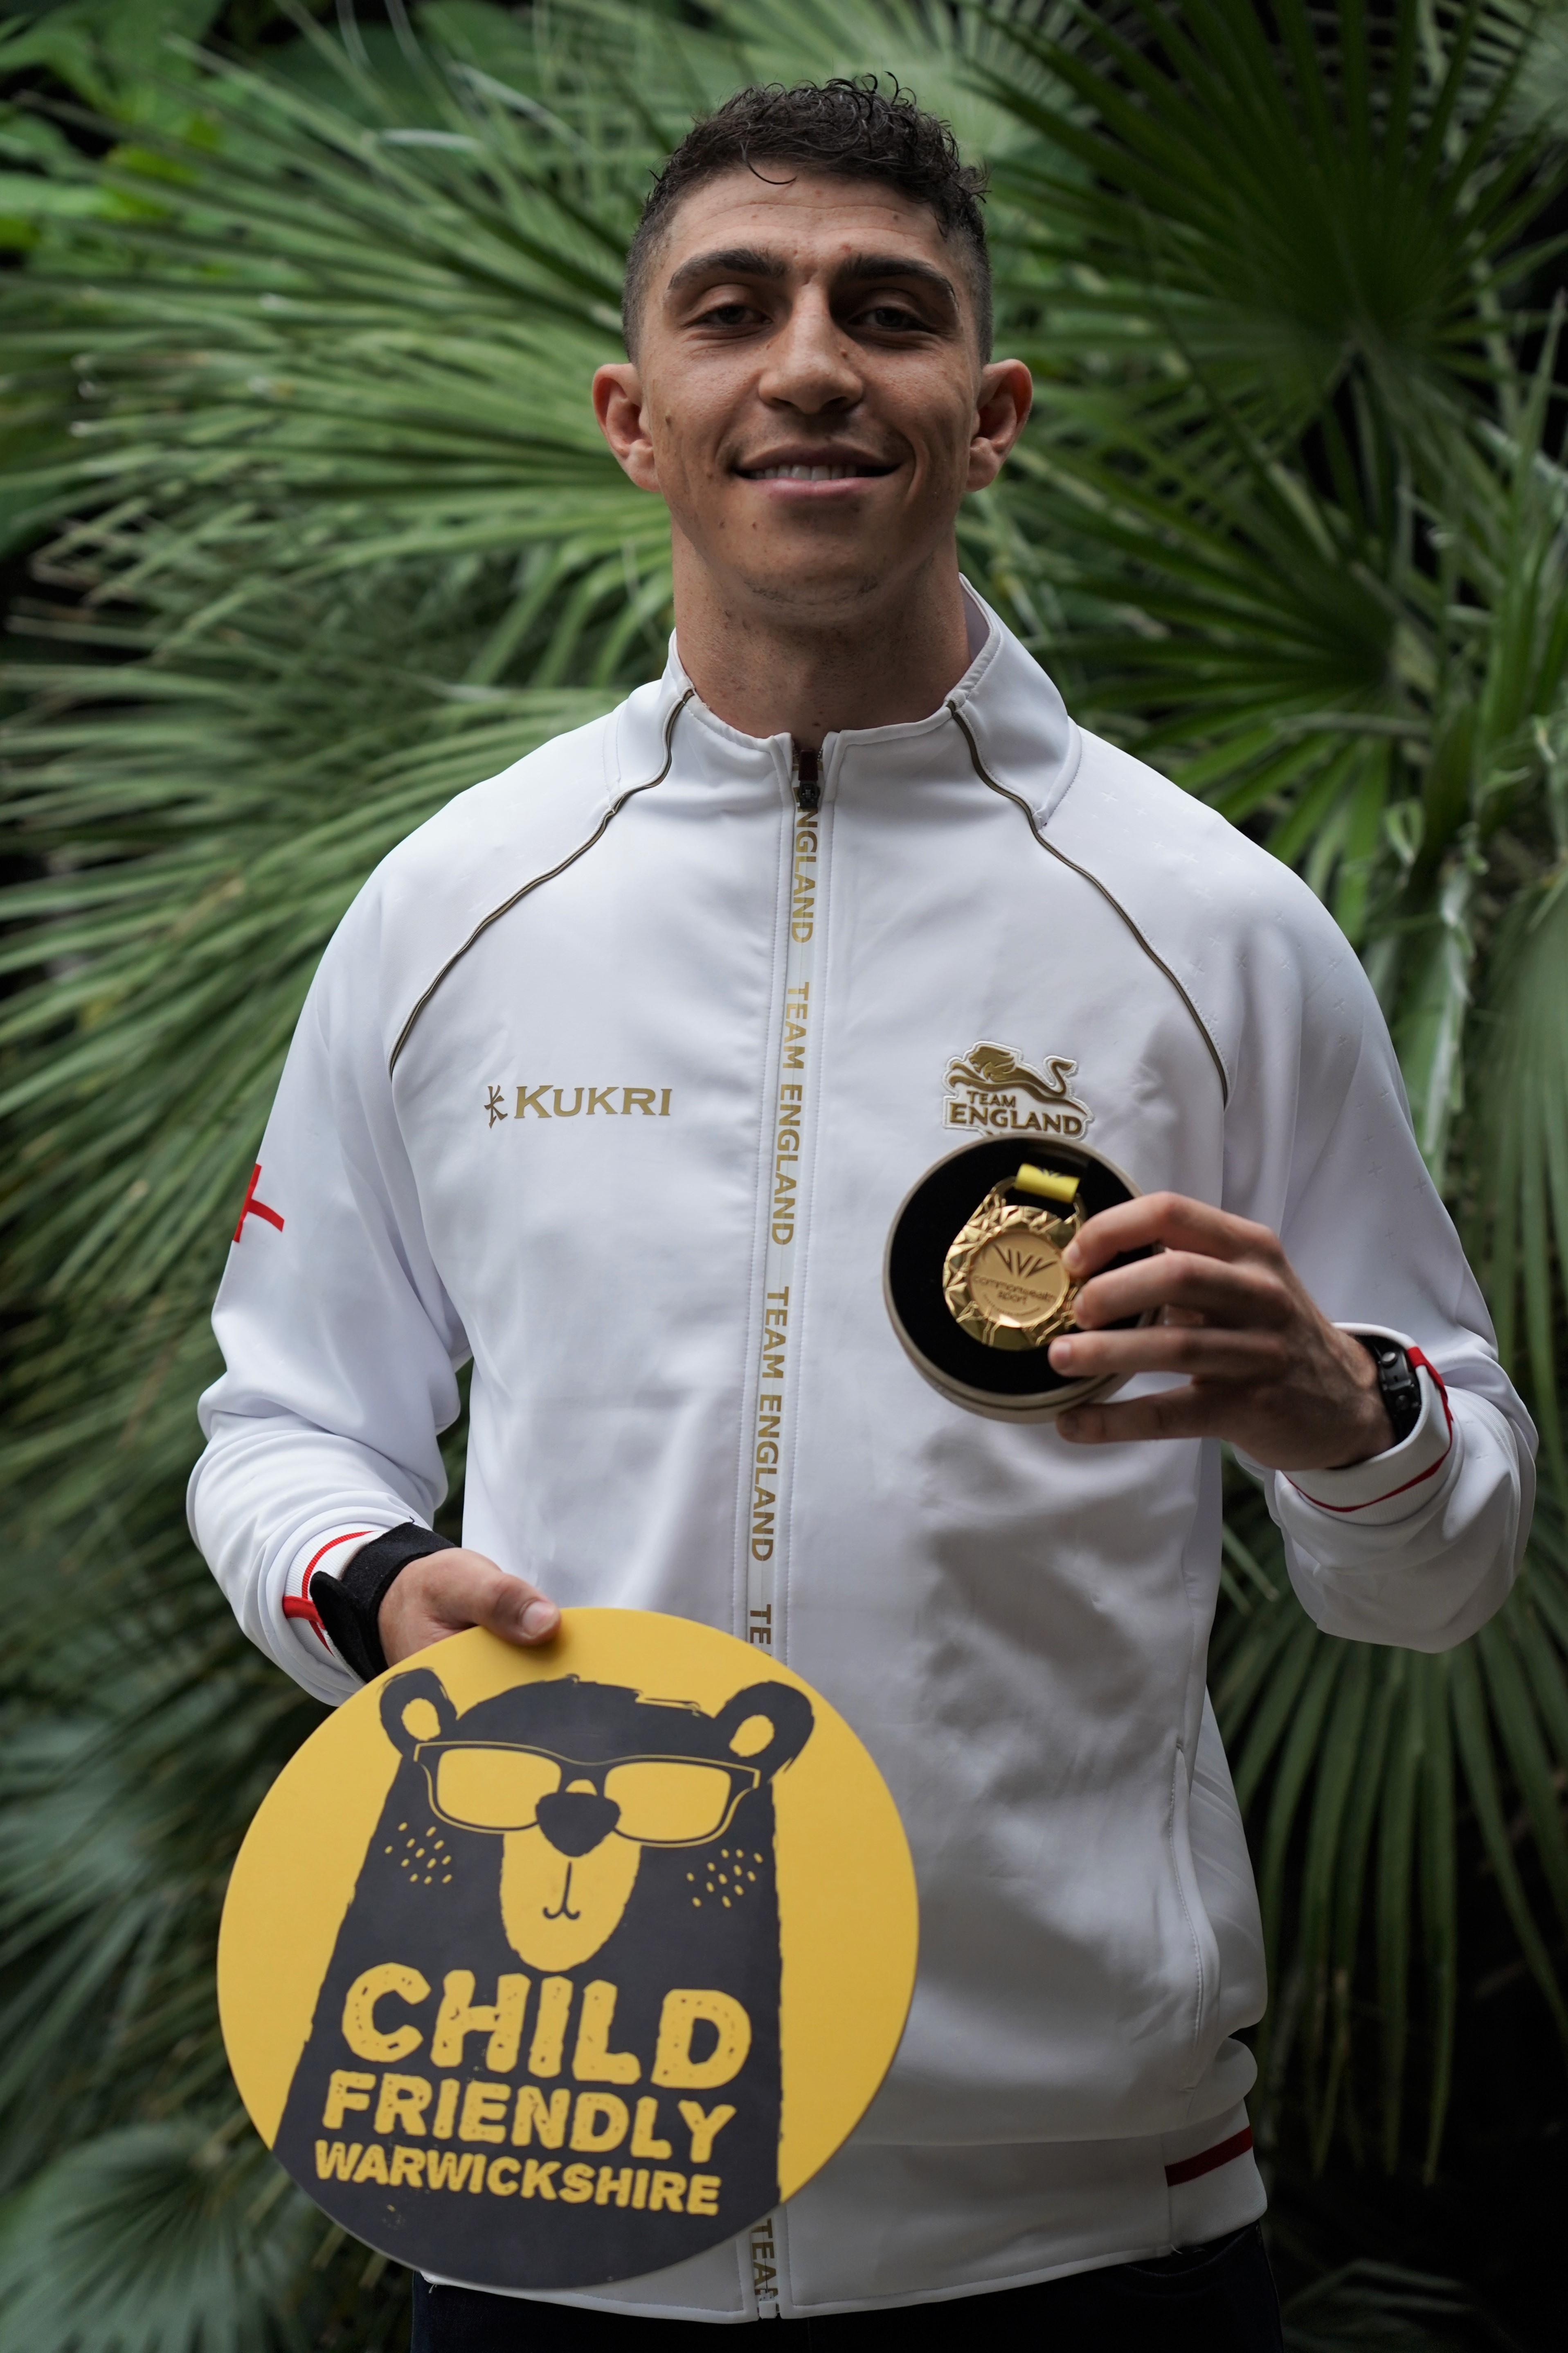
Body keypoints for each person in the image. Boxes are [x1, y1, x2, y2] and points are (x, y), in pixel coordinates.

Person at [190, 79, 1534, 2353]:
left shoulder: (1210, 921)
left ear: (985, 413)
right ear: (639, 414)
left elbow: (1446, 1561)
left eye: (884, 312)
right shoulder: (452, 909)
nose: (809, 359)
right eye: (737, 309)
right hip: (544, 2162)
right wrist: (372, 1591)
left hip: (1079, 2220)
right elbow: (281, 1424)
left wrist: (1352, 1412)